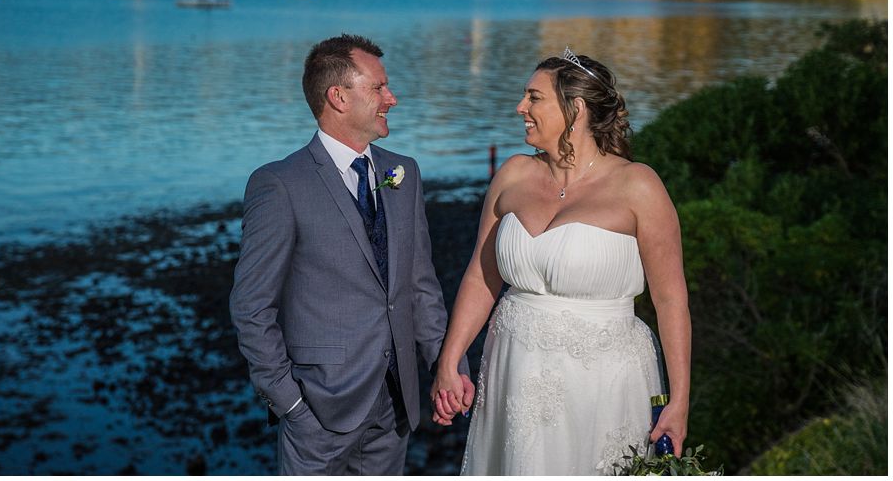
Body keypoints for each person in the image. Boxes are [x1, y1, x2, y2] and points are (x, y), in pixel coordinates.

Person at [430, 47, 691, 475]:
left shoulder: (638, 186)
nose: (520, 108)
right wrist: (449, 360)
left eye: (534, 98)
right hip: (513, 367)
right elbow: (481, 275)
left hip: (603, 379)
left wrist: (678, 402)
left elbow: (671, 300)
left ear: (577, 108)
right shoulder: (512, 174)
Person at [230, 33, 472, 475]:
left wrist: (447, 367)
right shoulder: (280, 184)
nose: (391, 98)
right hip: (319, 409)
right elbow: (251, 306)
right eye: (379, 87)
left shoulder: (405, 173)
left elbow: (420, 286)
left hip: (396, 406)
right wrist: (290, 403)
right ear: (338, 97)